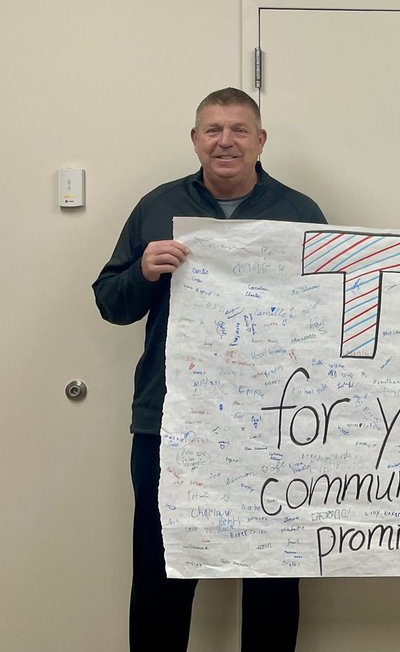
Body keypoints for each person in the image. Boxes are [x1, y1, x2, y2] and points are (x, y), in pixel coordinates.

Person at [93, 88, 326, 652]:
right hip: (169, 421)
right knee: (161, 569)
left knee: (271, 568)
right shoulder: (156, 207)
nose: (226, 141)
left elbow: (329, 318)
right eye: (214, 129)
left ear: (260, 140)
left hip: (272, 424)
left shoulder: (299, 213)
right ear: (196, 140)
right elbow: (110, 303)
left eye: (240, 130)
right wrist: (143, 272)